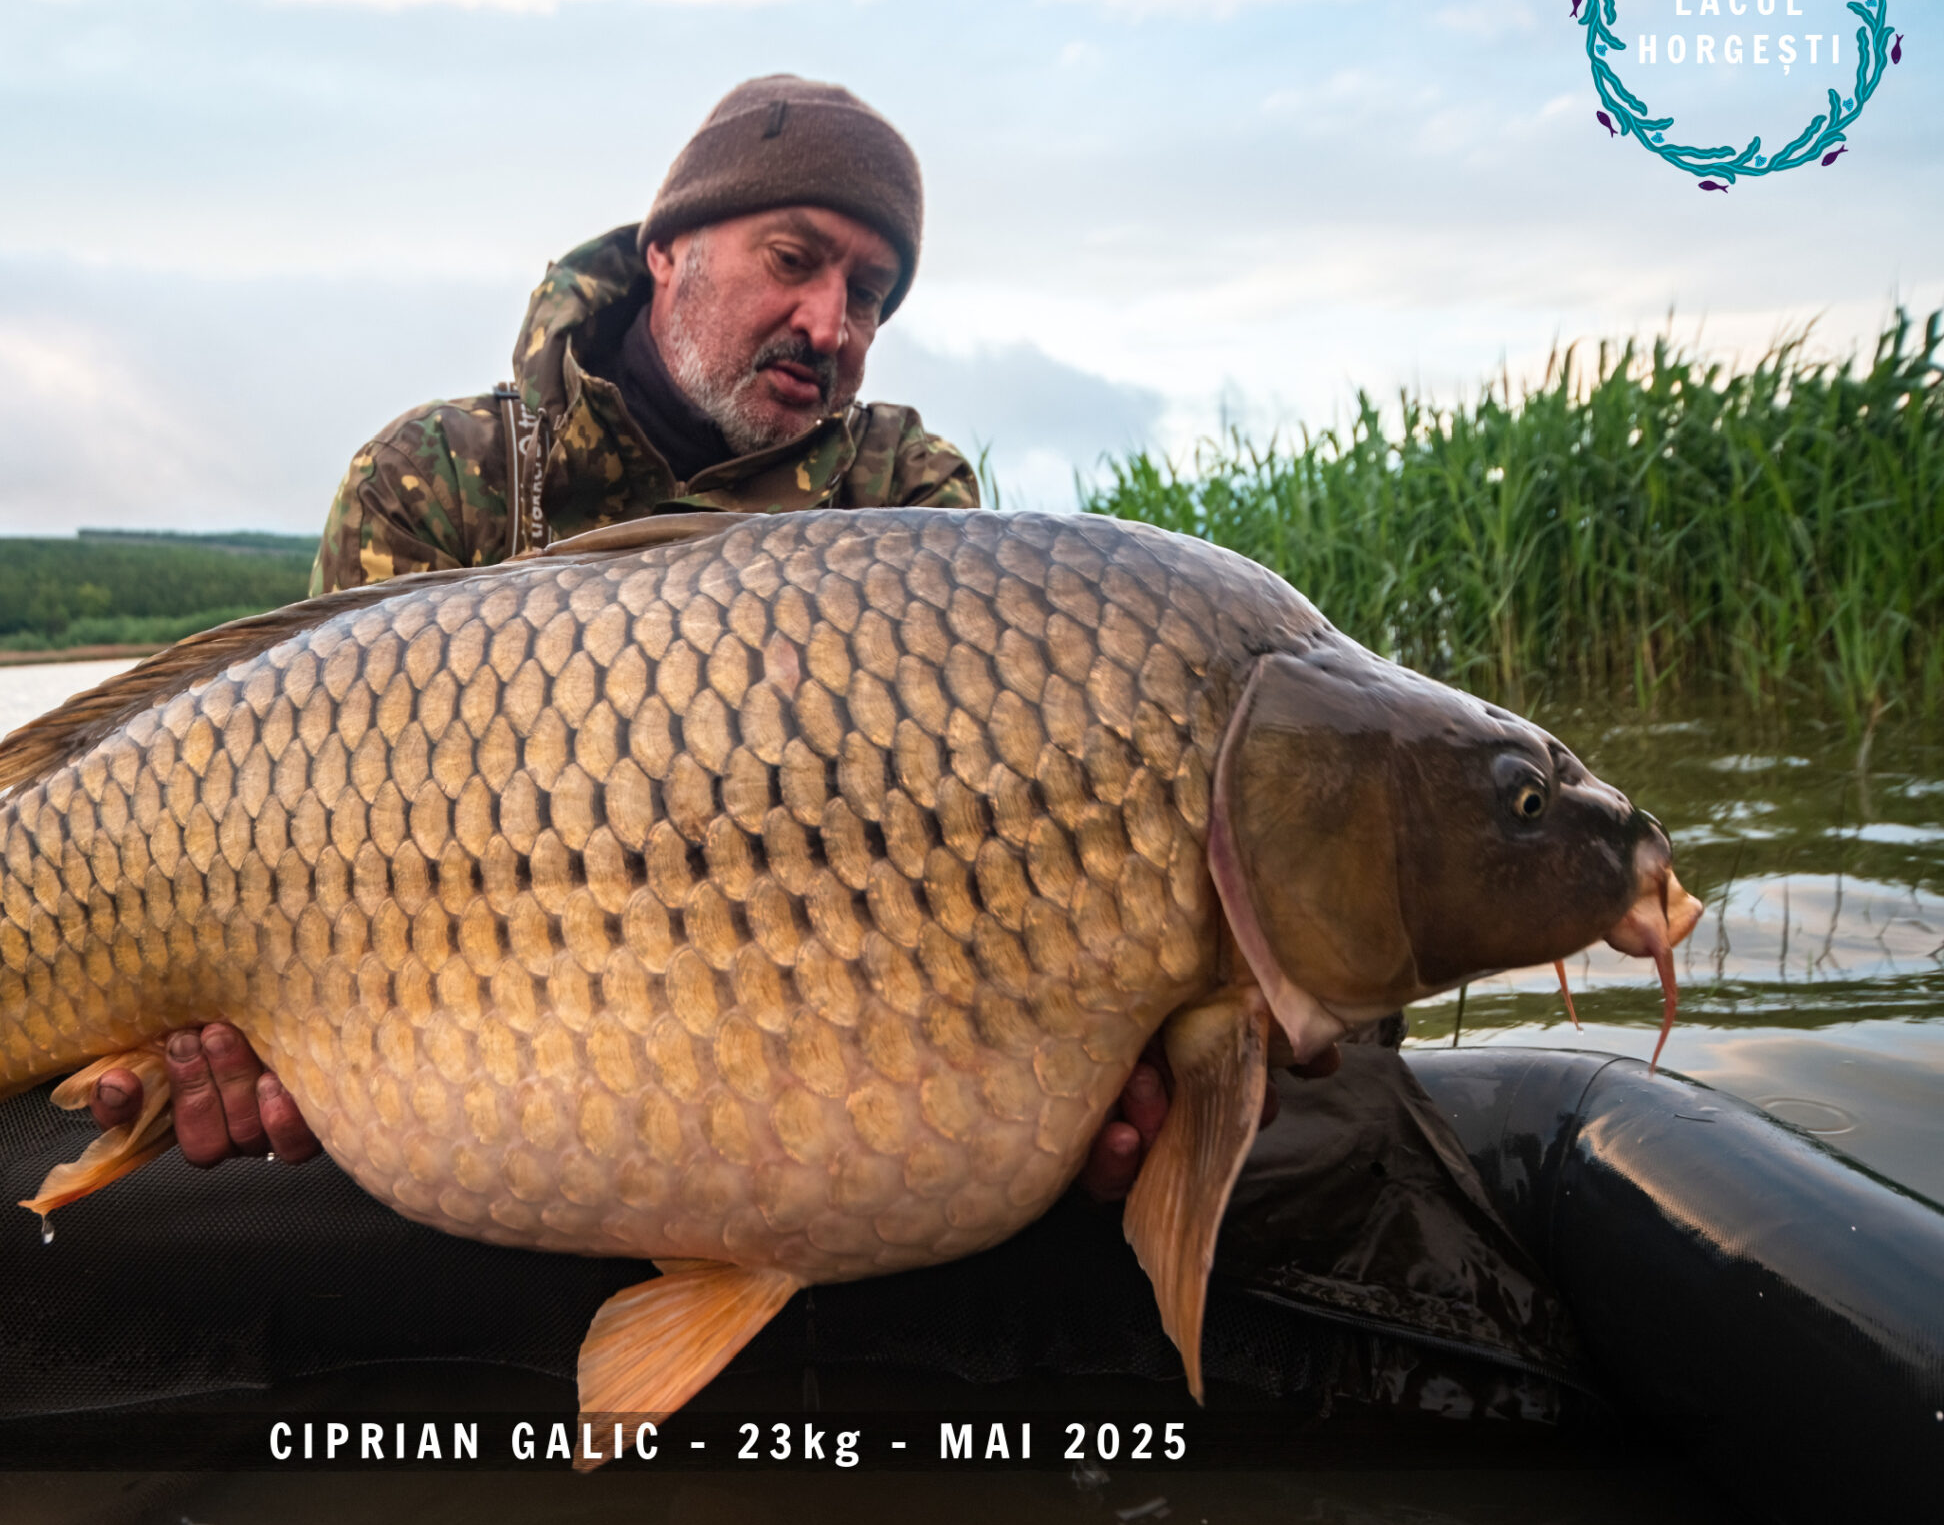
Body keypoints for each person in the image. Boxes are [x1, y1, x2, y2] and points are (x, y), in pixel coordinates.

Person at [91, 75, 1311, 1205]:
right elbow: (291, 818)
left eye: (870, 295)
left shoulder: (904, 499)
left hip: (791, 1090)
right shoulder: (440, 480)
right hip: (470, 1071)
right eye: (794, 260)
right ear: (667, 250)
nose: (829, 322)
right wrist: (233, 1038)